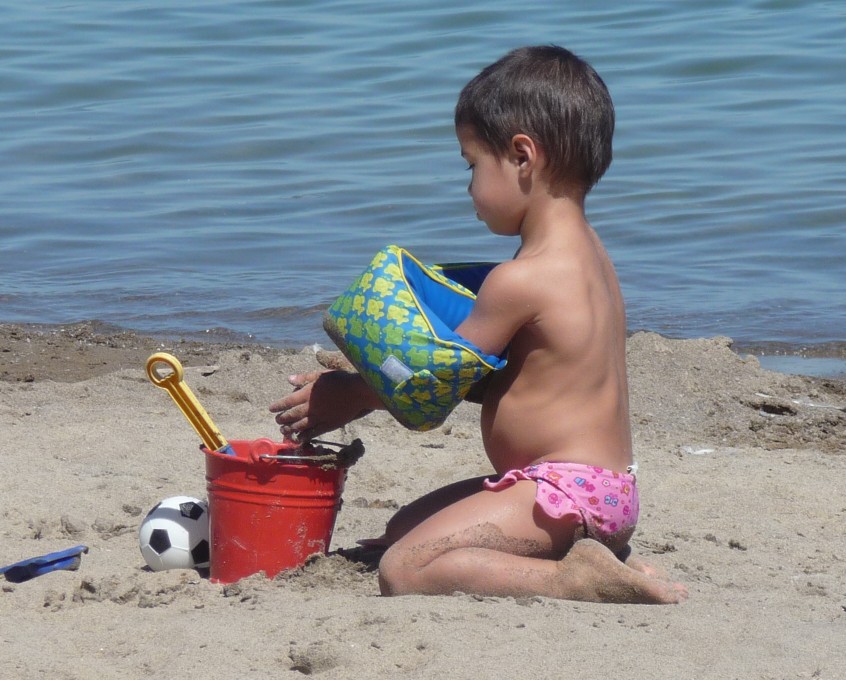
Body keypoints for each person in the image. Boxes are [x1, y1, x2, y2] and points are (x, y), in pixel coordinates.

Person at [270, 45, 686, 604]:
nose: (468, 186)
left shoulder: (521, 280)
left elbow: (432, 385)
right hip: (598, 492)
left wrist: (350, 394)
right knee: (400, 529)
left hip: (560, 491)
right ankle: (596, 554)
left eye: (472, 164)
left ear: (522, 157)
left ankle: (571, 577)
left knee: (405, 568)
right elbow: (506, 374)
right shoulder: (593, 260)